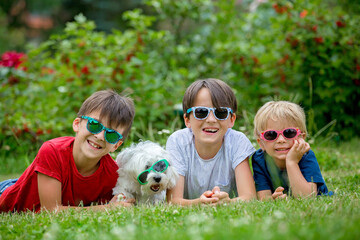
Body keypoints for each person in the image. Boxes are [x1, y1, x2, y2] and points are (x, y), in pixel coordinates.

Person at [0, 89, 135, 212]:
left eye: (111, 134)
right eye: (94, 125)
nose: (99, 136)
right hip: (10, 194)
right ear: (77, 124)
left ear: (116, 145)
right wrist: (107, 208)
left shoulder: (112, 174)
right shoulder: (52, 151)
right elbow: (51, 211)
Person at [166, 78, 256, 205]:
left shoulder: (237, 141)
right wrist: (200, 203)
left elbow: (249, 197)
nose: (211, 119)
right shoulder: (178, 141)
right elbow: (172, 201)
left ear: (232, 119)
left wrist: (227, 202)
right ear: (187, 120)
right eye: (201, 112)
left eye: (221, 112)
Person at [252, 100, 331, 200]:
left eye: (289, 133)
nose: (281, 140)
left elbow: (307, 197)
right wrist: (273, 198)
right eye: (271, 134)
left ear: (302, 137)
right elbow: (263, 197)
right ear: (261, 143)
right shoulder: (259, 159)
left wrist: (292, 162)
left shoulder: (306, 156)